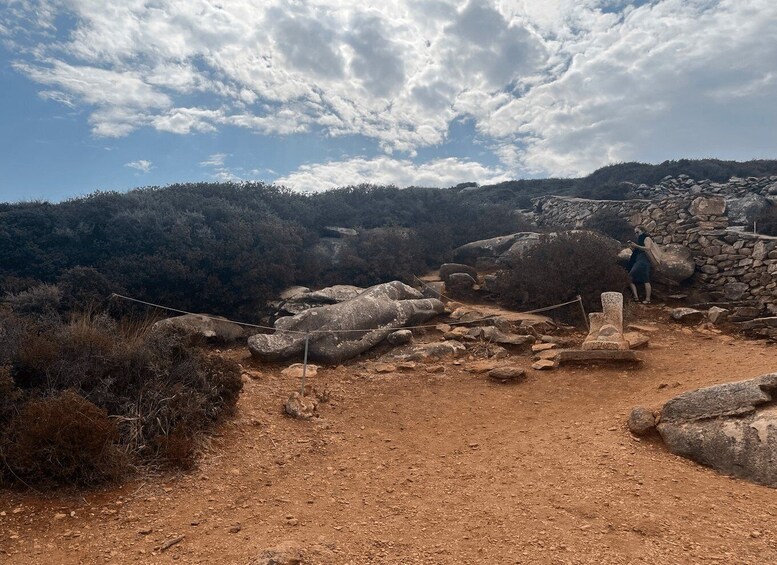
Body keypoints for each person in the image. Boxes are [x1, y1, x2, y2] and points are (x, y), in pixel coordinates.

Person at [627, 226, 653, 304]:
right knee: (646, 279)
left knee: (629, 277)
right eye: (635, 233)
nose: (636, 234)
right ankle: (646, 299)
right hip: (641, 260)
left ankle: (637, 297)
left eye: (637, 232)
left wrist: (636, 246)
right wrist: (634, 247)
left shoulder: (646, 238)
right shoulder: (641, 239)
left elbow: (648, 248)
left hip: (643, 261)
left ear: (643, 231)